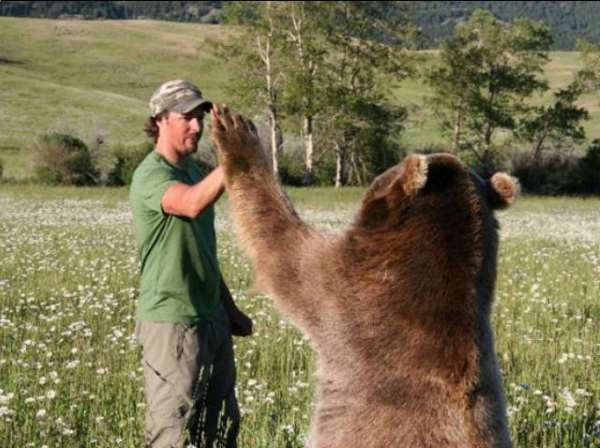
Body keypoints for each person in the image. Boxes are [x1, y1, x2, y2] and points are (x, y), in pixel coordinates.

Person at [129, 80, 252, 448]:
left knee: (218, 432)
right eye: (186, 118)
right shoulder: (151, 175)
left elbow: (203, 253)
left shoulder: (196, 172)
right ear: (160, 119)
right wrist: (234, 157)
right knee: (174, 435)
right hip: (172, 325)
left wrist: (229, 310)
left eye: (200, 118)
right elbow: (191, 203)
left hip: (211, 320)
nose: (196, 127)